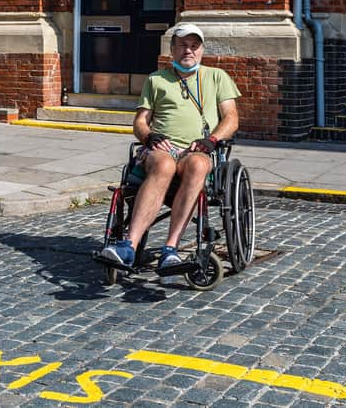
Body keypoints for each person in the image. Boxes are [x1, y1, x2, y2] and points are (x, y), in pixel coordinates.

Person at [100, 23, 241, 272]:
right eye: (183, 46)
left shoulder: (217, 76)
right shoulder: (156, 80)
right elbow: (140, 121)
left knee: (198, 165)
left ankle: (170, 249)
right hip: (163, 149)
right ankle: (128, 247)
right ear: (172, 50)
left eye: (194, 46)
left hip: (198, 150)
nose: (189, 51)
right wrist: (148, 136)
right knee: (164, 164)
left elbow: (231, 118)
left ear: (201, 50)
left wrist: (213, 140)